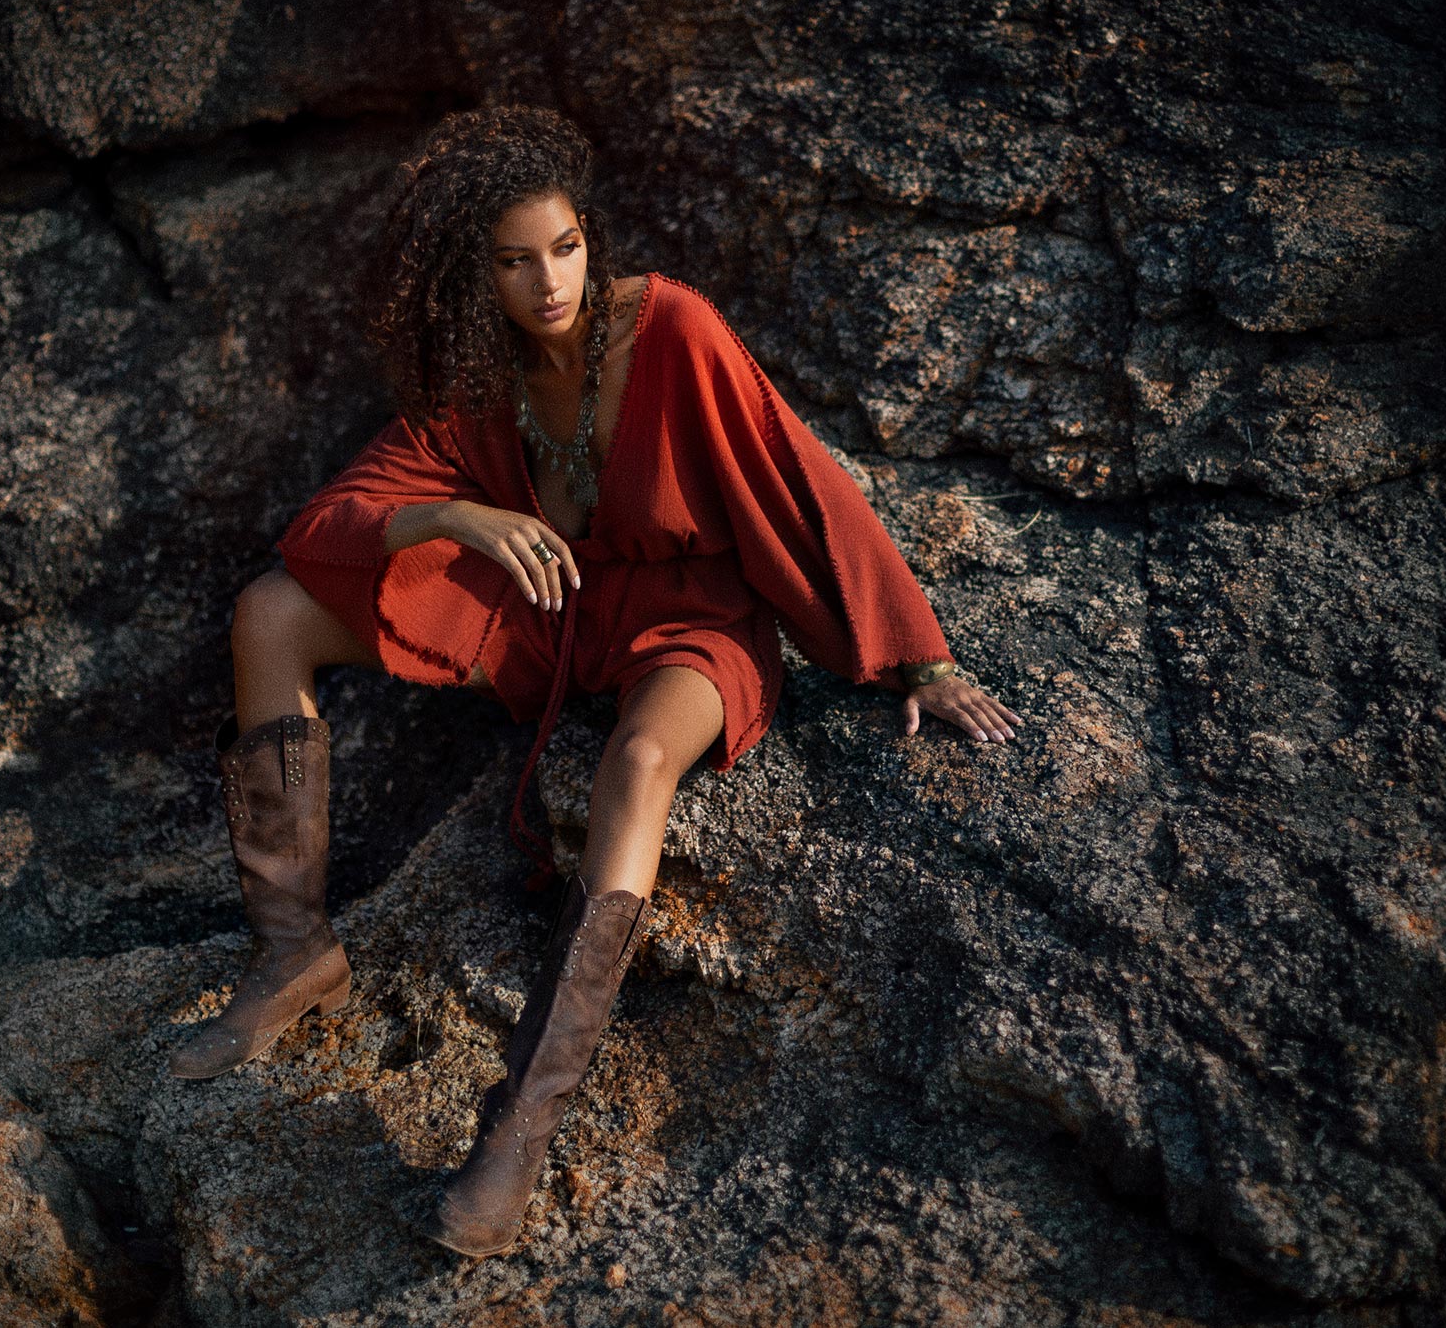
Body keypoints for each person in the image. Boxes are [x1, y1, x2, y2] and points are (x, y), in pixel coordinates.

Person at [164, 106, 1023, 1258]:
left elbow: (794, 471)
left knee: (639, 756)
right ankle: (294, 955)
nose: (547, 281)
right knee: (268, 610)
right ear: (479, 277)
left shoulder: (667, 326)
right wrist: (456, 511)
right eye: (514, 262)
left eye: (562, 247)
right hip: (552, 615)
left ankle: (520, 1122)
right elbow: (332, 517)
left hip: (691, 615)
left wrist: (913, 651)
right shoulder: (476, 375)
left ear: (589, 237)